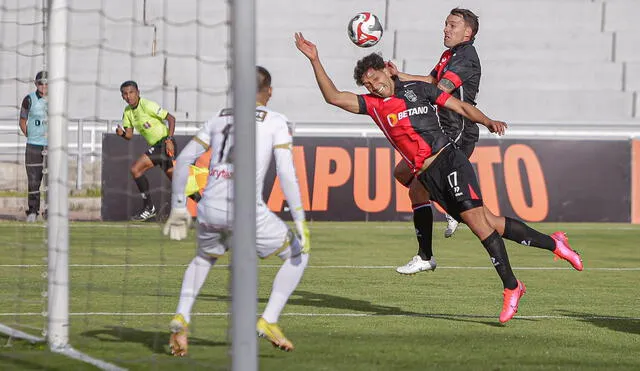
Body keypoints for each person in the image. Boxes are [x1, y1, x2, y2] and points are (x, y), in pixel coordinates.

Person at [294, 33, 582, 323]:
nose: (373, 85)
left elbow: (460, 107)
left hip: (449, 159)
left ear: (386, 69)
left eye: (374, 77)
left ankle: (512, 287)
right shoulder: (373, 106)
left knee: (480, 226)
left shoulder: (419, 90)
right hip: (427, 174)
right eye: (367, 84)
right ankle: (555, 244)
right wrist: (315, 59)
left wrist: (487, 120)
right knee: (490, 221)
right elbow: (332, 97)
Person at [163, 66, 311, 355]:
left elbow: (182, 162)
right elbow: (286, 173)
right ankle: (269, 319)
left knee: (204, 257)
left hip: (209, 208)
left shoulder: (219, 118)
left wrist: (179, 207)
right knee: (298, 253)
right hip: (245, 211)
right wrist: (301, 220)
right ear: (267, 91)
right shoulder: (276, 121)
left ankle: (182, 315)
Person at [391, 8, 495, 275]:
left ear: (467, 32)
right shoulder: (450, 54)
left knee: (417, 190)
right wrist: (397, 77)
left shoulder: (466, 57)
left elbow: (441, 89)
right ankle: (450, 207)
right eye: (446, 24)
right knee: (401, 172)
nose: (446, 29)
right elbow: (431, 81)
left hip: (458, 131)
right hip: (442, 129)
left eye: (452, 25)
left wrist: (398, 91)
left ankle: (425, 256)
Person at [117, 80, 183, 221]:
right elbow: (129, 135)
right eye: (125, 94)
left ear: (138, 92)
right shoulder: (127, 112)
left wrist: (169, 140)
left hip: (164, 143)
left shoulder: (147, 105)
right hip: (158, 147)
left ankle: (149, 208)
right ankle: (203, 203)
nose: (129, 96)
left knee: (136, 169)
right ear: (122, 96)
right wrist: (121, 133)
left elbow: (171, 119)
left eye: (131, 92)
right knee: (179, 182)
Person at [19, 71, 48, 222]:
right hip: (34, 146)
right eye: (41, 83)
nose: (44, 86)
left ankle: (50, 212)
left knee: (51, 180)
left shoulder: (56, 100)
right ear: (36, 84)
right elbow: (22, 120)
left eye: (46, 83)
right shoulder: (29, 99)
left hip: (51, 147)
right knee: (33, 180)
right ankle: (33, 211)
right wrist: (31, 137)